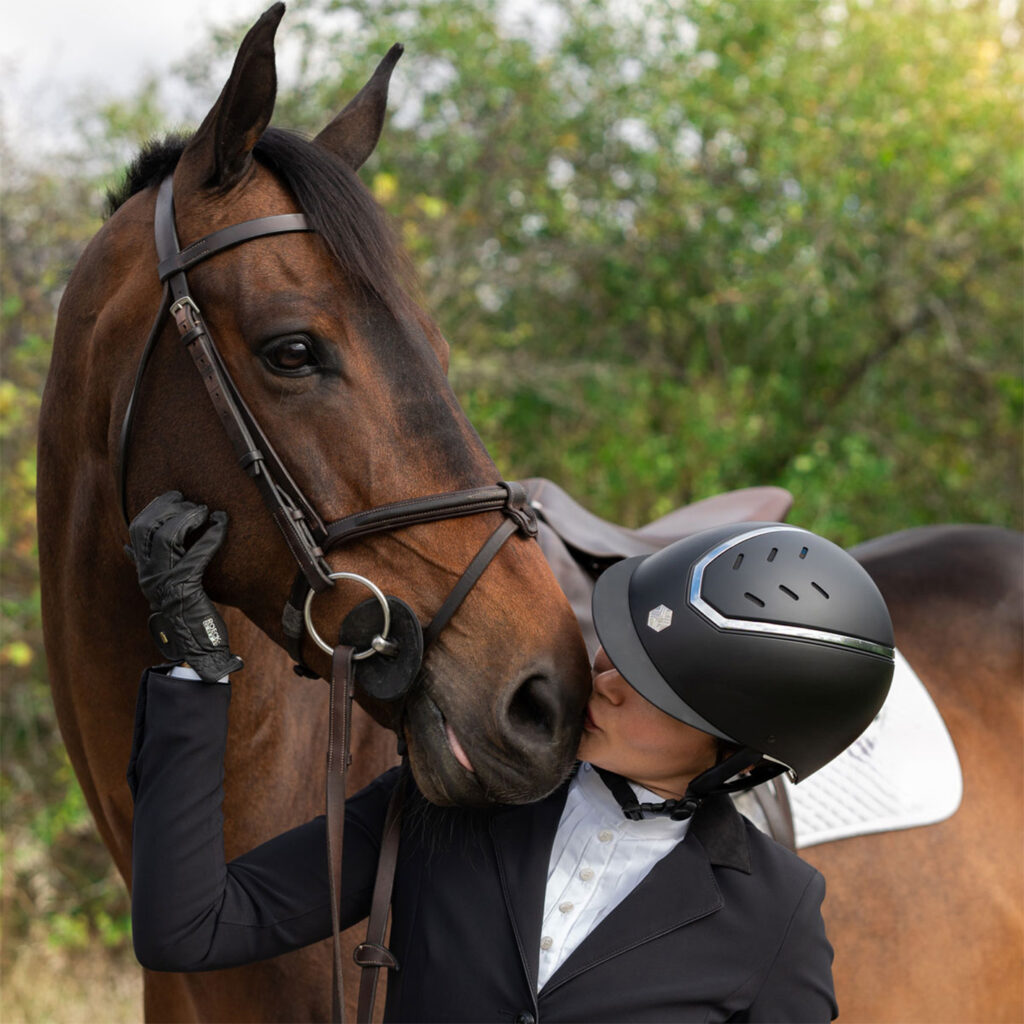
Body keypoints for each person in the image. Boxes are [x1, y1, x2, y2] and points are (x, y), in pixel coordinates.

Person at [126, 491, 895, 1023]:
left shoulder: (778, 913)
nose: (604, 678)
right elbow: (190, 928)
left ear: (736, 754)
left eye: (653, 686)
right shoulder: (452, 802)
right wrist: (197, 665)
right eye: (616, 651)